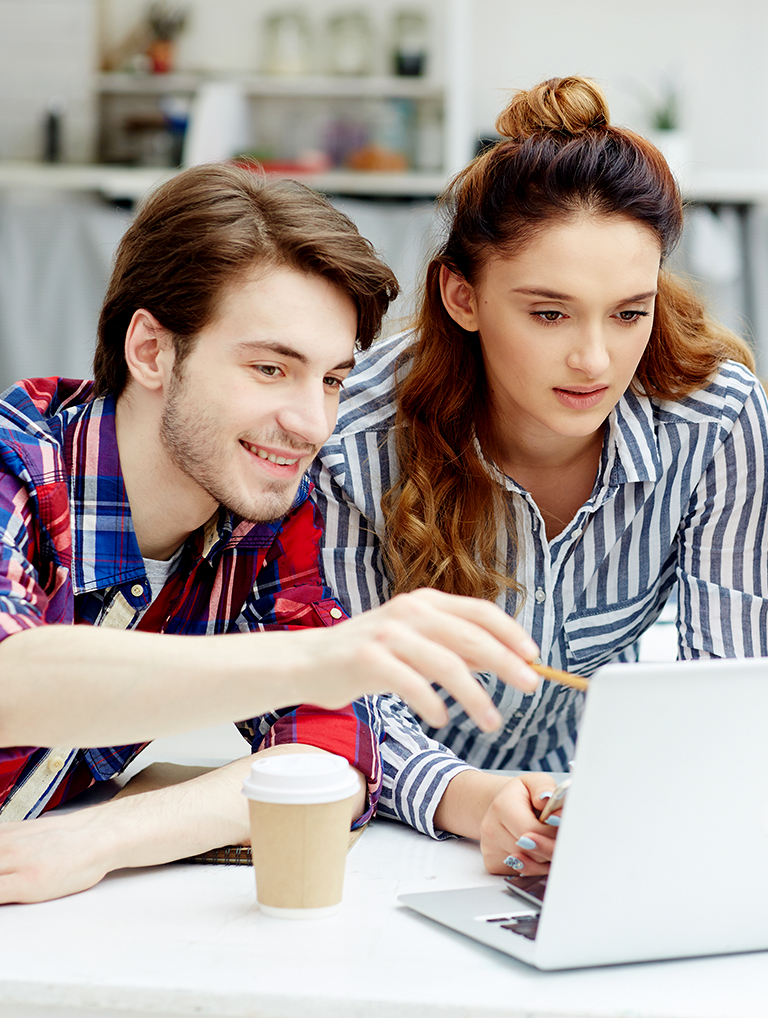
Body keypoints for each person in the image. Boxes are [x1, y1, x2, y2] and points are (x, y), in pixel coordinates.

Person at [0, 163, 542, 903]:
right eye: (269, 368)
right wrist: (321, 655)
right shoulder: (15, 466)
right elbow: (14, 676)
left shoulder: (260, 517)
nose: (314, 424)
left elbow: (336, 751)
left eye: (330, 380)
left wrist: (103, 838)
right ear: (152, 351)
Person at [310, 77, 768, 877]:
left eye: (629, 312)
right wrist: (474, 800)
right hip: (386, 828)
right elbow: (335, 695)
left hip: (584, 823)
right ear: (463, 295)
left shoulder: (717, 419)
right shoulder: (357, 433)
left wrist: (632, 807)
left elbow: (724, 689)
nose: (595, 360)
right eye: (549, 314)